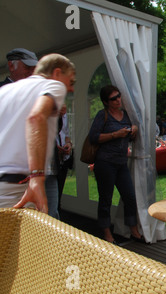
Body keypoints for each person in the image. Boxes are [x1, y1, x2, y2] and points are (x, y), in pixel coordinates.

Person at [0, 53, 76, 213]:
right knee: (43, 233)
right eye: (71, 81)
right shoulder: (53, 85)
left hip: (5, 184)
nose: (71, 88)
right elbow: (36, 117)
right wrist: (37, 177)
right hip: (21, 183)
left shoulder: (5, 91)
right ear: (56, 73)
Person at [89, 85, 143, 244]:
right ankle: (106, 232)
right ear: (106, 102)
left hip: (121, 164)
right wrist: (115, 134)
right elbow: (93, 137)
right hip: (105, 163)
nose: (118, 100)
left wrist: (134, 129)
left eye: (119, 96)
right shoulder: (102, 115)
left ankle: (133, 229)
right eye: (114, 98)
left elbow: (130, 137)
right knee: (106, 199)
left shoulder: (126, 115)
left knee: (130, 196)